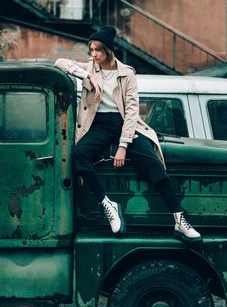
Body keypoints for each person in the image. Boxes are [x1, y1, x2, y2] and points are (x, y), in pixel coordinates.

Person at [55, 26, 202, 244]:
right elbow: (59, 63)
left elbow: (132, 112)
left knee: (152, 162)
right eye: (91, 50)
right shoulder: (90, 68)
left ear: (109, 51)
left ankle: (179, 219)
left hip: (125, 125)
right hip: (98, 126)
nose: (93, 54)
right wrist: (87, 75)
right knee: (79, 154)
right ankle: (108, 205)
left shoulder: (127, 74)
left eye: (98, 50)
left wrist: (123, 145)